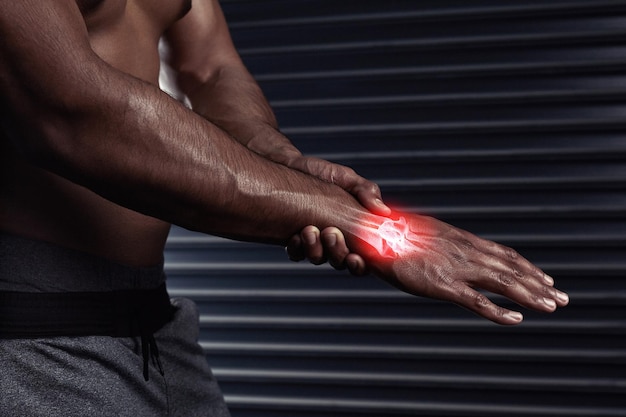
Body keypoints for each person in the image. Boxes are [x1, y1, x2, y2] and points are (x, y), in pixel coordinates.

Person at [0, 0, 569, 416]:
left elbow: (209, 66)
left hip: (154, 324)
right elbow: (68, 109)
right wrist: (354, 219)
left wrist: (279, 159)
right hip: (29, 330)